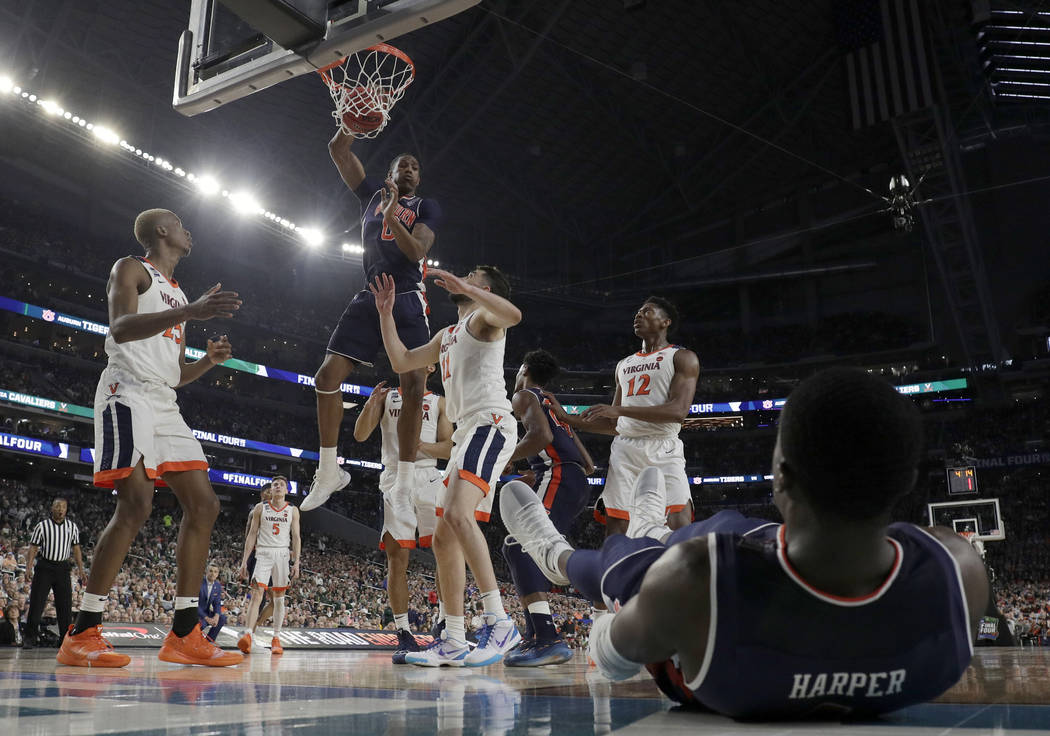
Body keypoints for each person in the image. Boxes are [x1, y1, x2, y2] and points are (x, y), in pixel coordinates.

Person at [502, 367, 988, 719]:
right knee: (727, 528)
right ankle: (653, 526)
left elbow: (611, 656)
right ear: (906, 481)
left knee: (632, 560)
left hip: (704, 600)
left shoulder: (697, 576)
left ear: (780, 476)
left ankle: (554, 554)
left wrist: (627, 615)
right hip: (766, 557)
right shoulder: (958, 568)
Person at [58, 208, 243, 668]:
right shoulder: (131, 269)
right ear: (162, 232)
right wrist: (189, 312)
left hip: (163, 400)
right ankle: (82, 632)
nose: (188, 230)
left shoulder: (177, 291)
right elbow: (119, 328)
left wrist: (208, 362)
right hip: (127, 392)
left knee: (205, 505)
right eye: (180, 223)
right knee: (136, 506)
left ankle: (183, 632)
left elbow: (176, 375)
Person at [371, 267, 521, 666]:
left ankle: (501, 621)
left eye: (472, 276)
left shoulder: (485, 319)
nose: (462, 277)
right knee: (442, 539)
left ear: (484, 288)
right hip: (464, 436)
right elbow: (402, 360)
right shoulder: (446, 335)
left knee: (456, 513)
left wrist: (469, 289)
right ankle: (454, 637)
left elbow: (514, 316)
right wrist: (385, 314)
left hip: (489, 422)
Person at [301, 128, 442, 516]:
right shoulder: (370, 197)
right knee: (326, 379)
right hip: (370, 295)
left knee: (414, 387)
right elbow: (337, 150)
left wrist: (395, 212)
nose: (410, 170)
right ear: (390, 173)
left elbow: (415, 252)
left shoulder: (426, 207)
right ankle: (328, 470)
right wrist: (351, 123)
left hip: (408, 299)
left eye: (415, 167)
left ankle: (406, 480)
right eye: (403, 165)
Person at [547, 298, 699, 536]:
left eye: (647, 312)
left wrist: (620, 410)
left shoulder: (682, 357)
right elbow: (612, 425)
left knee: (679, 523)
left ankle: (678, 571)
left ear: (665, 322)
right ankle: (616, 572)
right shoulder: (624, 364)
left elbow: (677, 412)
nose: (638, 315)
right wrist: (567, 418)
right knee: (617, 526)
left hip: (663, 447)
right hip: (625, 449)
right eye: (637, 312)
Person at [352, 365, 453, 663]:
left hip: (428, 477)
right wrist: (371, 405)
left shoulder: (439, 402)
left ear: (431, 366)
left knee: (444, 551)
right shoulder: (387, 397)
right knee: (398, 558)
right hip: (395, 477)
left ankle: (444, 620)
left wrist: (420, 445)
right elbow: (360, 435)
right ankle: (403, 632)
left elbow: (448, 448)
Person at [502, 349, 595, 667]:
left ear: (524, 369)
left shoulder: (524, 395)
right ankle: (534, 634)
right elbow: (590, 464)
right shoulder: (551, 400)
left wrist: (508, 457)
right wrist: (536, 470)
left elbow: (540, 435)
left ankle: (546, 636)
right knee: (522, 546)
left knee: (520, 546)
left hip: (558, 476)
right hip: (575, 480)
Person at [238, 476, 301, 655]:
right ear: (270, 491)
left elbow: (296, 537)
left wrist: (296, 561)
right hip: (263, 552)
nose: (278, 487)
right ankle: (248, 635)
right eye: (275, 485)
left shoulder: (293, 510)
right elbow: (251, 535)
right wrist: (244, 561)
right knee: (257, 592)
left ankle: (276, 638)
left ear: (287, 490)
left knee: (279, 597)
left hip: (282, 553)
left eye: (282, 485)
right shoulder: (260, 508)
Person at [24, 498, 84, 647]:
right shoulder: (42, 526)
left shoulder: (72, 526)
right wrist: (28, 568)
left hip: (63, 568)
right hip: (45, 566)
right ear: (52, 508)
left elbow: (76, 549)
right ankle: (30, 638)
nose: (60, 509)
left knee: (65, 605)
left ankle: (64, 639)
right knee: (37, 603)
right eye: (58, 506)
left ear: (66, 509)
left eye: (63, 507)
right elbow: (33, 548)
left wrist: (81, 569)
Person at [244, 485, 275, 628]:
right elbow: (249, 536)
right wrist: (245, 560)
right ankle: (250, 630)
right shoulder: (256, 511)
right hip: (258, 555)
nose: (270, 494)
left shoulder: (281, 513)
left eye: (272, 492)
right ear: (262, 494)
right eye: (268, 492)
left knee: (277, 601)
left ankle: (256, 625)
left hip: (275, 557)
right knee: (258, 596)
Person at [198, 564, 227, 643]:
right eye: (210, 571)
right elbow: (194, 604)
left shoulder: (217, 585)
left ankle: (208, 642)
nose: (213, 574)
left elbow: (217, 603)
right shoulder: (198, 583)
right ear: (206, 572)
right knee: (201, 625)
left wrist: (217, 616)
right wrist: (206, 618)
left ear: (217, 574)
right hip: (196, 614)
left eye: (215, 572)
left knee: (222, 618)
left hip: (206, 612)